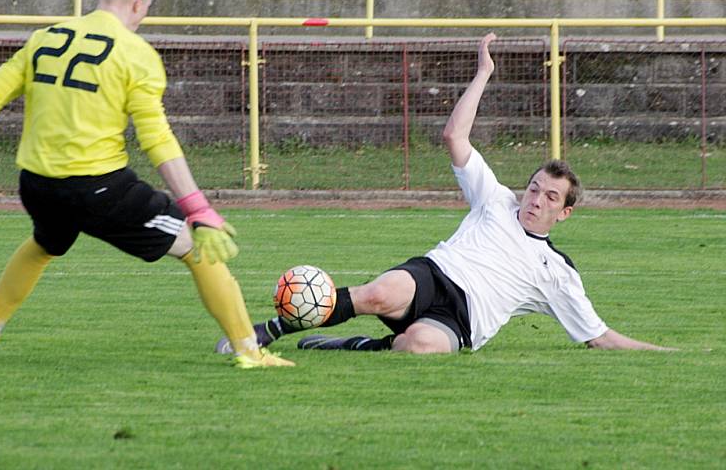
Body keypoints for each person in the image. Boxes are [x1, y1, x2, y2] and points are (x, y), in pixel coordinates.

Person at [217, 33, 674, 355]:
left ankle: (356, 346)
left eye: (550, 197)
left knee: (419, 347)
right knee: (379, 293)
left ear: (565, 213)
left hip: (464, 320)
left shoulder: (558, 272)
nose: (536, 198)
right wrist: (483, 73)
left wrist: (663, 351)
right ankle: (265, 330)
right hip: (435, 274)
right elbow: (455, 137)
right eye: (535, 187)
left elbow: (598, 336)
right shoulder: (494, 198)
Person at [0, 0, 291, 369]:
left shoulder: (46, 37)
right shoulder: (135, 54)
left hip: (37, 185)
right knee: (198, 248)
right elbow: (157, 140)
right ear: (139, 4)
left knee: (43, 245)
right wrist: (199, 210)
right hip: (100, 188)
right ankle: (248, 350)